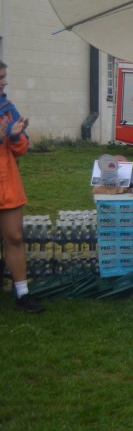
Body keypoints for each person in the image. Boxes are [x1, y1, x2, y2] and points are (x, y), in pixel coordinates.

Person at [0, 60, 44, 313]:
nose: (5, 82)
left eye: (4, 76)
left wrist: (16, 136)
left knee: (15, 238)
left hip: (7, 183)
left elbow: (21, 149)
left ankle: (22, 294)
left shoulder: (8, 109)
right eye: (1, 77)